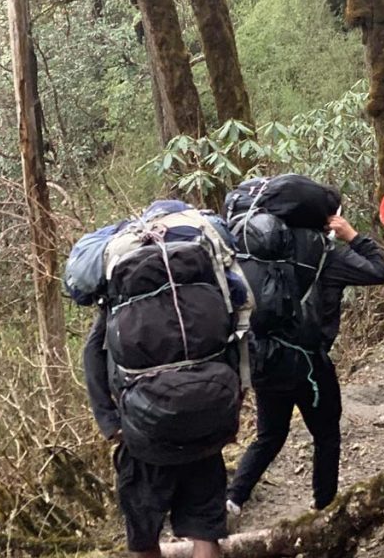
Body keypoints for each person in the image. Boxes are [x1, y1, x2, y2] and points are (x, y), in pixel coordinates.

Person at [82, 203, 251, 558]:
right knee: (206, 533)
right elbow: (238, 336)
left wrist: (109, 422)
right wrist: (235, 400)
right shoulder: (206, 281)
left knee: (144, 539)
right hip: (206, 423)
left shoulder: (121, 293)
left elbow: (93, 354)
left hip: (145, 434)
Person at [225, 210, 384, 522]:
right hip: (312, 366)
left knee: (269, 436)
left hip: (267, 361)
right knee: (326, 436)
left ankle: (233, 500)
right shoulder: (327, 258)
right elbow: (381, 270)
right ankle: (323, 508)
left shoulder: (252, 260)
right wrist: (352, 236)